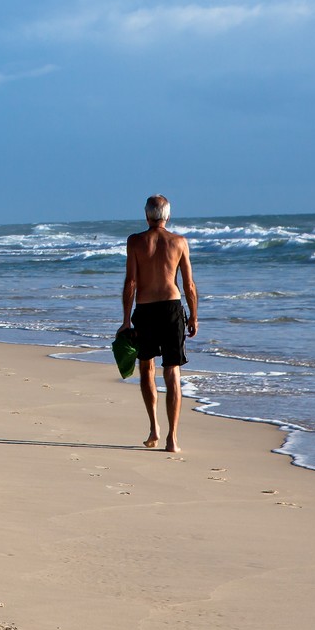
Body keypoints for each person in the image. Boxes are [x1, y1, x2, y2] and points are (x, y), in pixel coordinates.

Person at [122, 194, 198, 453]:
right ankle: (172, 439)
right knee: (172, 371)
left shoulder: (135, 241)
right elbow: (188, 284)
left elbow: (130, 282)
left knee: (146, 368)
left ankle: (154, 428)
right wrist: (194, 315)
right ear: (167, 216)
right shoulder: (179, 242)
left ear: (146, 215)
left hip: (144, 309)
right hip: (171, 308)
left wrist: (125, 320)